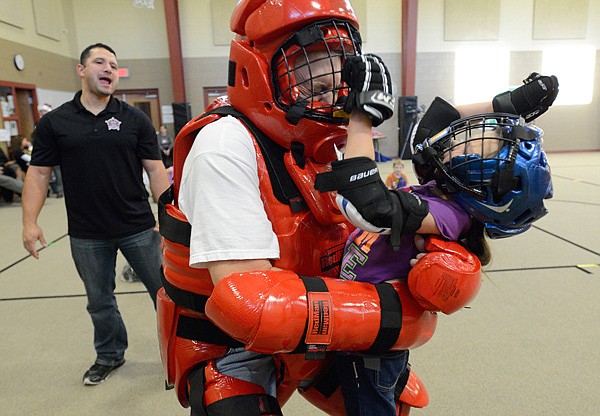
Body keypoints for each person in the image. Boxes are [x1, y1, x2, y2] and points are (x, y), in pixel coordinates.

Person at [156, 1, 559, 415]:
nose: (334, 86)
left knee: (393, 402)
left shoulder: (319, 140)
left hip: (306, 316)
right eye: (310, 64)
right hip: (232, 344)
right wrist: (394, 313)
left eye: (339, 67)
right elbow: (249, 303)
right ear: (256, 69)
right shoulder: (225, 145)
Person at [315, 54, 555, 414]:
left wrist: (361, 117)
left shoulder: (449, 214)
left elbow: (371, 208)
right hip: (363, 325)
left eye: (475, 144)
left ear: (481, 180)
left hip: (370, 343)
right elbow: (438, 121)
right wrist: (508, 104)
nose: (463, 135)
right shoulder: (442, 187)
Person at [21, 43, 170, 386]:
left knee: (165, 293)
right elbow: (39, 174)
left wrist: (166, 213)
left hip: (137, 226)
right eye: (100, 62)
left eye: (114, 65)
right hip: (87, 234)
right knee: (99, 301)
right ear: (81, 70)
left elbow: (156, 169)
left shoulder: (135, 119)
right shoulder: (56, 123)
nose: (108, 69)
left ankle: (178, 353)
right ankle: (109, 355)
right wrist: (29, 222)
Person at [36, 103, 64, 198]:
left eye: (44, 111)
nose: (43, 113)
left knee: (57, 170)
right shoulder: (39, 124)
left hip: (57, 150)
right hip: (45, 150)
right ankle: (53, 190)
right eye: (41, 112)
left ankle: (60, 190)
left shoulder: (56, 121)